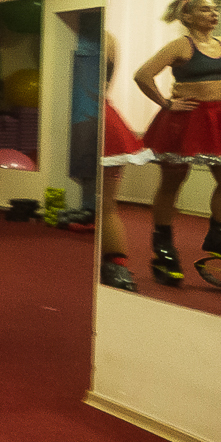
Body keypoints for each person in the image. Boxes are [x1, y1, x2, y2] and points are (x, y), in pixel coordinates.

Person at [133, 0, 221, 288]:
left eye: (215, 9)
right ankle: (164, 247)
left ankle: (220, 237)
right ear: (188, 16)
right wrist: (166, 103)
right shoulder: (180, 46)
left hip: (217, 120)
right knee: (173, 181)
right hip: (184, 121)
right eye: (206, 9)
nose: (214, 13)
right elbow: (142, 75)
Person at [99, 30, 153, 291]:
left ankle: (116, 265)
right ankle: (112, 264)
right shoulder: (105, 39)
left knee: (106, 203)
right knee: (101, 203)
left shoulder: (105, 39)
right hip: (93, 117)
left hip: (98, 121)